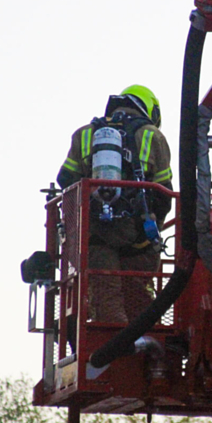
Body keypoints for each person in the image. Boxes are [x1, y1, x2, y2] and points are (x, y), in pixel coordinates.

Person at [56, 84, 173, 324]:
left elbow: (65, 180)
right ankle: (137, 345)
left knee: (106, 299)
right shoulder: (153, 136)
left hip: (93, 237)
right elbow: (164, 195)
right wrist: (149, 231)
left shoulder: (84, 134)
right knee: (139, 301)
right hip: (138, 239)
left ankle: (111, 346)